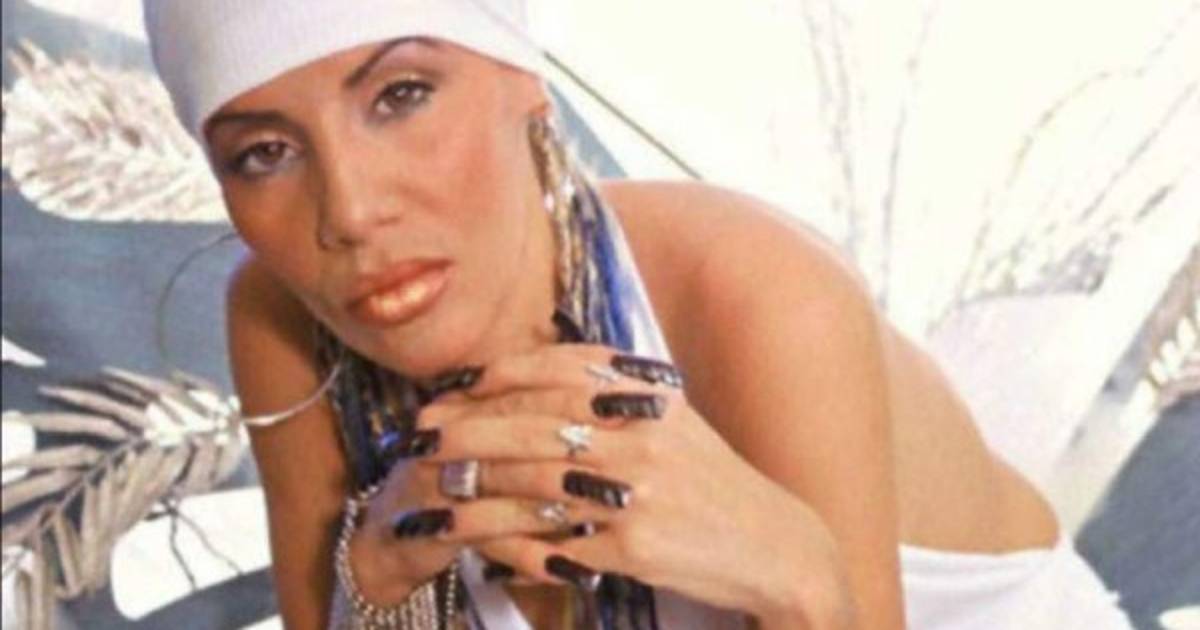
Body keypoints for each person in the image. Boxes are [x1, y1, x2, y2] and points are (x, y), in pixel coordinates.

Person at [142, 1, 1134, 628]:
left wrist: (799, 583)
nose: (351, 213)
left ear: (523, 79)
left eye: (401, 95)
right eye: (264, 154)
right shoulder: (284, 318)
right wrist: (379, 586)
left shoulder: (754, 295)